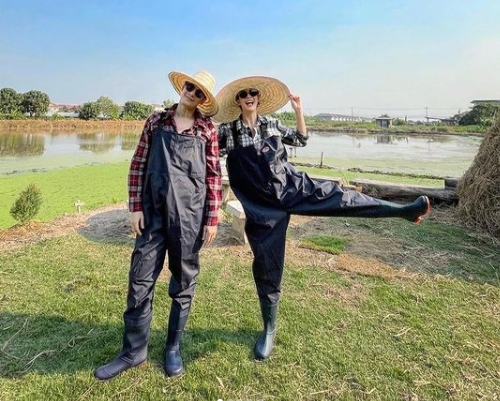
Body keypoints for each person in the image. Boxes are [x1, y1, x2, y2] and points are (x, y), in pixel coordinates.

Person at [215, 76, 431, 362]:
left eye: (253, 92)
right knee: (267, 264)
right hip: (262, 207)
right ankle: (269, 328)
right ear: (238, 101)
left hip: (292, 188)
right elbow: (206, 150)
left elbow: (301, 139)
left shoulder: (272, 124)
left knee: (341, 197)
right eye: (243, 94)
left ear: (258, 97)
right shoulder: (228, 131)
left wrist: (298, 111)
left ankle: (402, 210)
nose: (249, 96)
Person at [94, 70, 222, 380]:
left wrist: (212, 219)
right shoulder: (156, 121)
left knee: (184, 282)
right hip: (152, 214)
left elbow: (213, 176)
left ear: (203, 100)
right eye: (190, 87)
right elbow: (138, 164)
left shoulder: (207, 129)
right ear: (182, 87)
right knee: (140, 279)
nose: (192, 93)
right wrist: (135, 207)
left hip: (189, 217)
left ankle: (173, 348)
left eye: (199, 92)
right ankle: (133, 351)